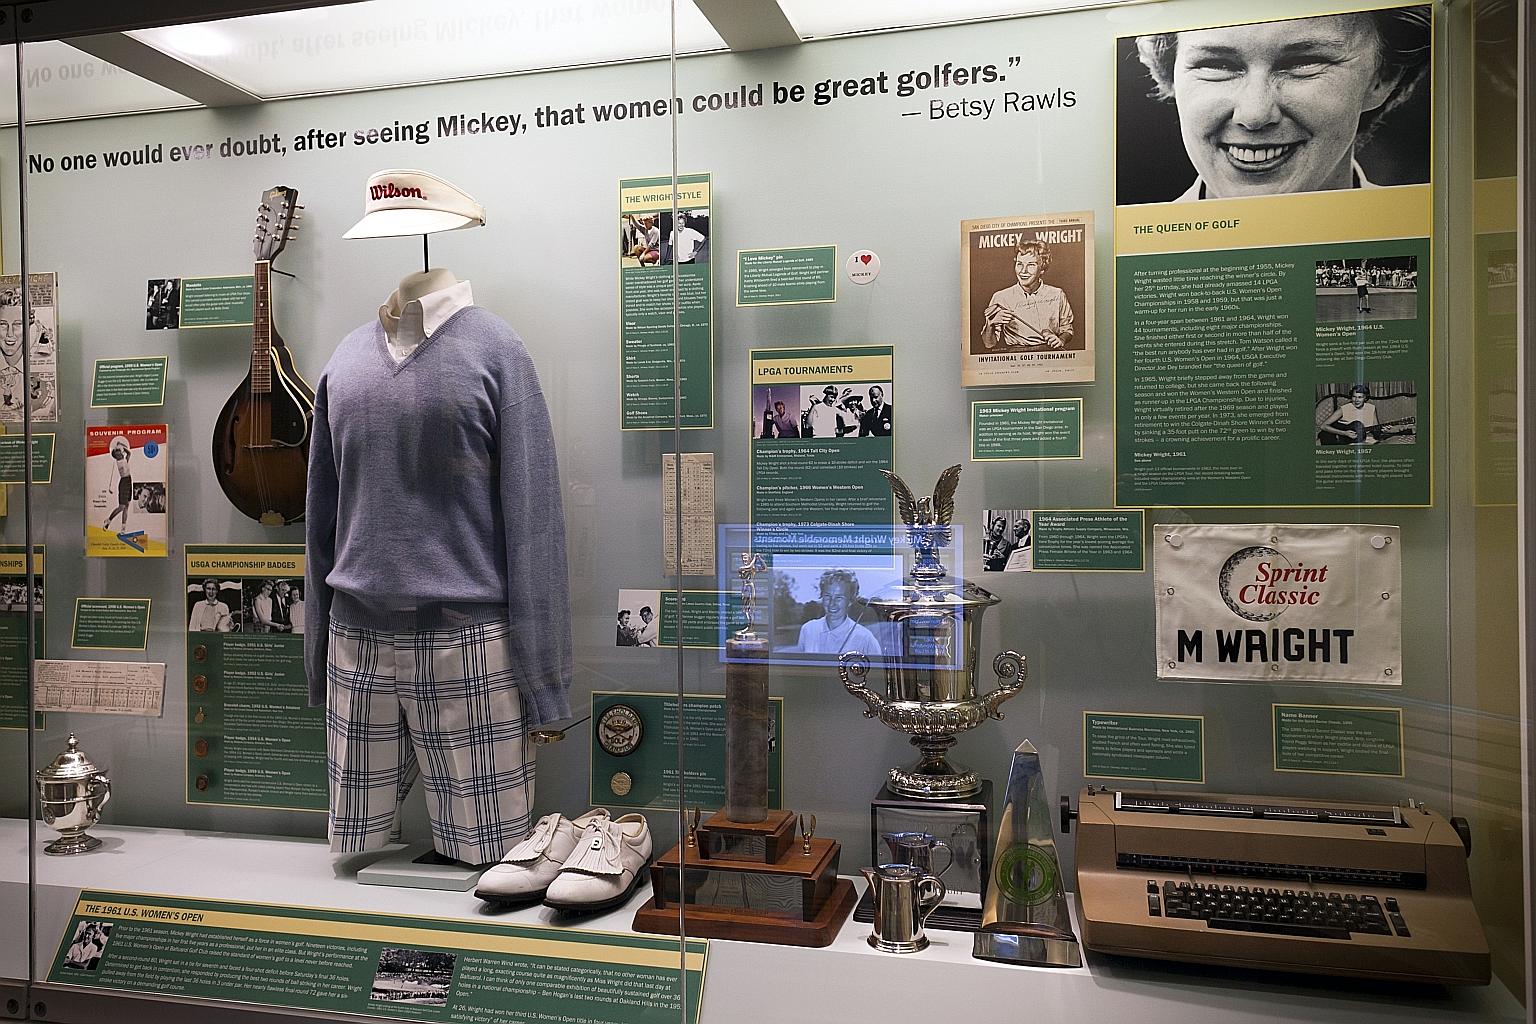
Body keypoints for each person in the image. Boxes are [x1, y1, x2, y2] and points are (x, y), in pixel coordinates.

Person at [1135, 9, 1432, 201]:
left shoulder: (1441, 246)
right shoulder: (1128, 258)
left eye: (1303, 63)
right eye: (1217, 64)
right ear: (1169, 71)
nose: (1254, 114)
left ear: (1383, 77)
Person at [982, 241, 1074, 351]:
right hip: (1015, 357)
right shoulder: (1001, 297)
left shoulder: (1057, 294)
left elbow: (1067, 329)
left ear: (1042, 268)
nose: (1023, 271)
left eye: (1031, 265)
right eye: (1019, 264)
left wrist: (1061, 340)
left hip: (1050, 355)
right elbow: (989, 344)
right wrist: (990, 324)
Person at [795, 569, 880, 658]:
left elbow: (879, 671)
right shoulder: (808, 629)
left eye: (839, 598)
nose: (832, 604)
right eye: (827, 596)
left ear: (850, 601)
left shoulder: (865, 638)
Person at [101, 436, 132, 533]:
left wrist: (120, 444)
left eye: (120, 450)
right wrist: (119, 445)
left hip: (129, 481)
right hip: (124, 483)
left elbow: (129, 452)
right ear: (116, 455)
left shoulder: (124, 459)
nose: (121, 451)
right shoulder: (120, 462)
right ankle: (108, 520)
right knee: (122, 506)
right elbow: (126, 453)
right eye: (118, 451)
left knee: (126, 507)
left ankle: (123, 529)